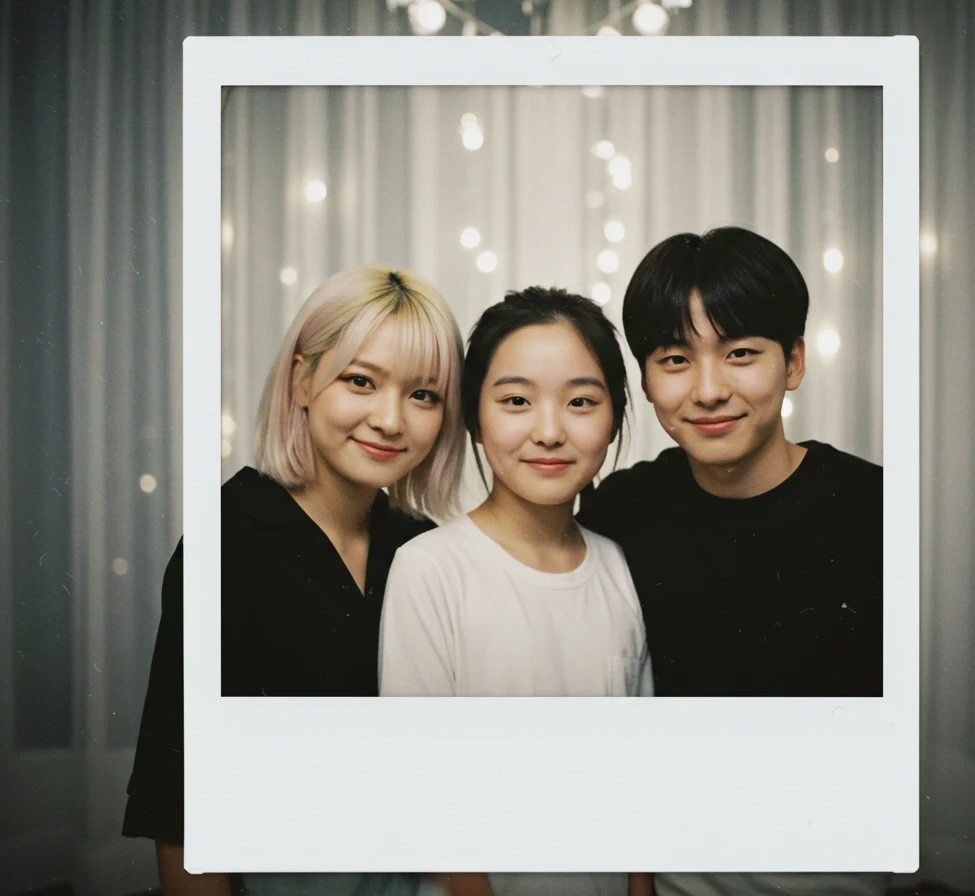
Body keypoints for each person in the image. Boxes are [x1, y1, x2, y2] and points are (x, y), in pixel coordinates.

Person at [123, 264, 465, 896]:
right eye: (361, 381)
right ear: (302, 378)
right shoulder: (230, 543)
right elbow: (181, 809)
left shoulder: (420, 548)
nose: (392, 419)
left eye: (424, 395)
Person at [577, 227, 884, 896]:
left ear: (794, 362)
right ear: (647, 379)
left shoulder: (871, 508)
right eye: (675, 359)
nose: (709, 390)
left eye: (741, 353)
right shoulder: (621, 513)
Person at [378, 287, 653, 896]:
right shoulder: (430, 569)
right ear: (475, 416)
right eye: (516, 401)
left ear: (614, 420)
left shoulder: (618, 567)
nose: (549, 431)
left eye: (581, 400)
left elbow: (637, 770)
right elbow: (421, 788)